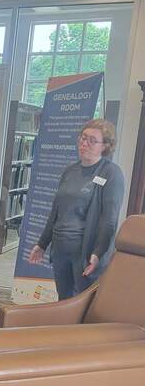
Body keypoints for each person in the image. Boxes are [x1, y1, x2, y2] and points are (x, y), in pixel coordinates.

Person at [28, 119, 125, 300]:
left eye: (92, 140)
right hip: (60, 249)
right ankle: (66, 329)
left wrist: (99, 252)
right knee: (64, 300)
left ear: (105, 146)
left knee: (84, 302)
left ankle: (81, 330)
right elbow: (56, 212)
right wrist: (42, 244)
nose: (84, 143)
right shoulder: (70, 170)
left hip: (86, 252)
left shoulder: (111, 173)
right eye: (83, 137)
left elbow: (109, 219)